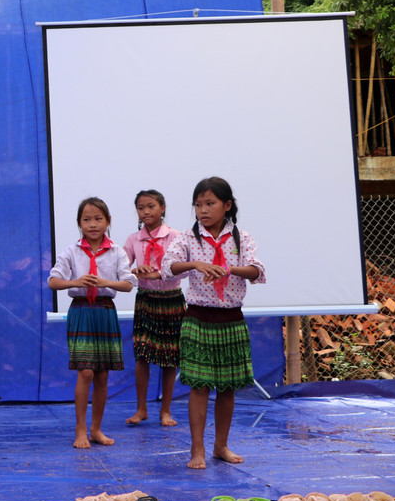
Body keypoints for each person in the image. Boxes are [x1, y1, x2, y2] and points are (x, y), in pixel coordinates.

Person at [160, 177, 265, 469]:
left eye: (210, 203)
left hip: (231, 319)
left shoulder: (241, 238)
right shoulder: (187, 238)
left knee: (228, 387)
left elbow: (256, 271)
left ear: (227, 205)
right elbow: (166, 268)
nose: (202, 210)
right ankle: (197, 450)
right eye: (198, 204)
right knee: (199, 387)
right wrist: (195, 264)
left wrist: (228, 269)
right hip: (198, 318)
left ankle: (221, 445)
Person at [48, 197, 135, 448]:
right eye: (86, 219)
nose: (93, 224)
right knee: (85, 371)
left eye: (98, 219)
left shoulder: (117, 251)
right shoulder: (72, 251)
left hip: (105, 311)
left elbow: (129, 284)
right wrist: (76, 282)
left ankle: (97, 428)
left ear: (107, 221)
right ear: (79, 223)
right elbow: (53, 281)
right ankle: (80, 429)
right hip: (82, 311)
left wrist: (106, 282)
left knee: (102, 375)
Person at [122, 190, 186, 427]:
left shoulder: (176, 236)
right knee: (142, 355)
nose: (146, 212)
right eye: (140, 207)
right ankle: (141, 409)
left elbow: (185, 268)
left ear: (163, 208)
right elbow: (120, 270)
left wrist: (161, 272)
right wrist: (133, 272)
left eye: (151, 206)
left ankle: (166, 410)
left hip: (171, 299)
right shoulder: (133, 240)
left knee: (170, 357)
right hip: (146, 299)